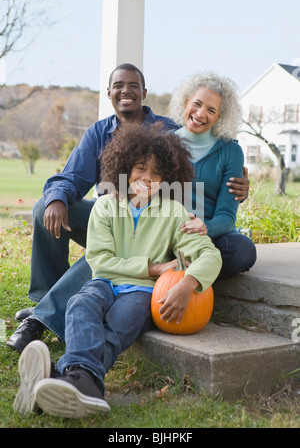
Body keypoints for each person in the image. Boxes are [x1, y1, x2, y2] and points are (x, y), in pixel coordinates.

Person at [7, 64, 248, 353]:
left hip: (163, 226)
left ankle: (44, 318)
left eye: (134, 86)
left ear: (144, 93)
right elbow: (71, 176)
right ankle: (47, 299)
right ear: (108, 93)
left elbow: (204, 180)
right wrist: (57, 196)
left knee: (116, 252)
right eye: (118, 86)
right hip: (116, 216)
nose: (126, 92)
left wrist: (238, 186)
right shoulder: (100, 132)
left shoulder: (166, 134)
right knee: (47, 207)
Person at [13, 123, 222, 418]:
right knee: (79, 304)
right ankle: (83, 384)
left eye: (156, 174)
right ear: (124, 167)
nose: (146, 179)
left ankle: (59, 376)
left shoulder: (174, 213)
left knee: (118, 326)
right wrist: (153, 267)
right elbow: (100, 261)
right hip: (105, 283)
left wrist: (188, 283)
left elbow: (209, 255)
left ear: (167, 179)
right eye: (139, 169)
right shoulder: (105, 207)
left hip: (142, 293)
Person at [169, 71, 257, 280]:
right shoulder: (164, 143)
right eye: (197, 104)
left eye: (211, 110)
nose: (200, 114)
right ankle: (190, 272)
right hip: (170, 235)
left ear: (220, 117)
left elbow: (227, 217)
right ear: (185, 101)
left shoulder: (230, 152)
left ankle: (188, 274)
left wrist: (204, 227)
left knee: (242, 251)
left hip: (212, 235)